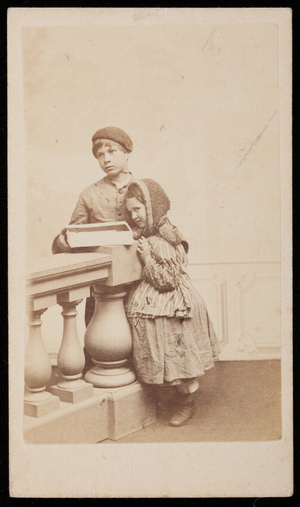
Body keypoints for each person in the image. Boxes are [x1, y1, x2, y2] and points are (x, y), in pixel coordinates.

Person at [124, 178, 219, 427]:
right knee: (160, 351)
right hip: (153, 299)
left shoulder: (163, 241)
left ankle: (185, 404)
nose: (134, 215)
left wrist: (146, 259)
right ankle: (164, 399)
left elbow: (167, 280)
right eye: (130, 210)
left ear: (152, 207)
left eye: (138, 209)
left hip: (174, 303)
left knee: (179, 353)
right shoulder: (148, 235)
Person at [52, 126, 135, 369]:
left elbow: (161, 226)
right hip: (101, 284)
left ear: (127, 152)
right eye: (100, 154)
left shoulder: (144, 189)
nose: (106, 158)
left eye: (112, 151)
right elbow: (70, 237)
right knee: (101, 341)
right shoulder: (89, 194)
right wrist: (62, 241)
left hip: (137, 282)